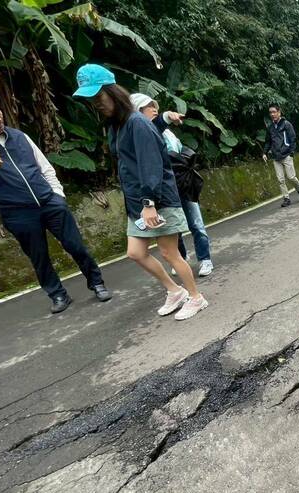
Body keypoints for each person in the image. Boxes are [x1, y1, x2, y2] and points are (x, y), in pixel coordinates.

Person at [0, 86, 111, 314]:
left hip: (49, 202)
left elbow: (45, 168)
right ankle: (58, 295)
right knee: (38, 257)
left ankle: (97, 283)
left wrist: (57, 196)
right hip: (17, 212)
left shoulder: (18, 136)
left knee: (76, 246)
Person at [73, 65, 207, 320]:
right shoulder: (117, 126)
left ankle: (196, 298)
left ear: (113, 93)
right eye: (92, 100)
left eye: (98, 97)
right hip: (138, 202)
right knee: (135, 253)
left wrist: (149, 203)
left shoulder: (137, 123)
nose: (96, 104)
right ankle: (174, 291)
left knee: (169, 252)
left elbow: (151, 165)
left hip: (157, 199)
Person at [130, 93, 213, 277]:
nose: (154, 109)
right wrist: (167, 116)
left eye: (154, 106)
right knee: (176, 228)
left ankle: (205, 259)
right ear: (138, 112)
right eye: (148, 106)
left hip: (183, 183)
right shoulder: (142, 134)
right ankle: (181, 260)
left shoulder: (167, 132)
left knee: (196, 223)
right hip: (166, 190)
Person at [262, 103, 299, 208]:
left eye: (274, 112)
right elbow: (268, 141)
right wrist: (264, 152)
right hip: (276, 157)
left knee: (291, 177)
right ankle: (286, 198)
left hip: (286, 155)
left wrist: (291, 153)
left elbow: (293, 138)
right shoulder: (270, 127)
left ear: (279, 112)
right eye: (270, 112)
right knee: (280, 179)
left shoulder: (286, 124)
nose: (272, 114)